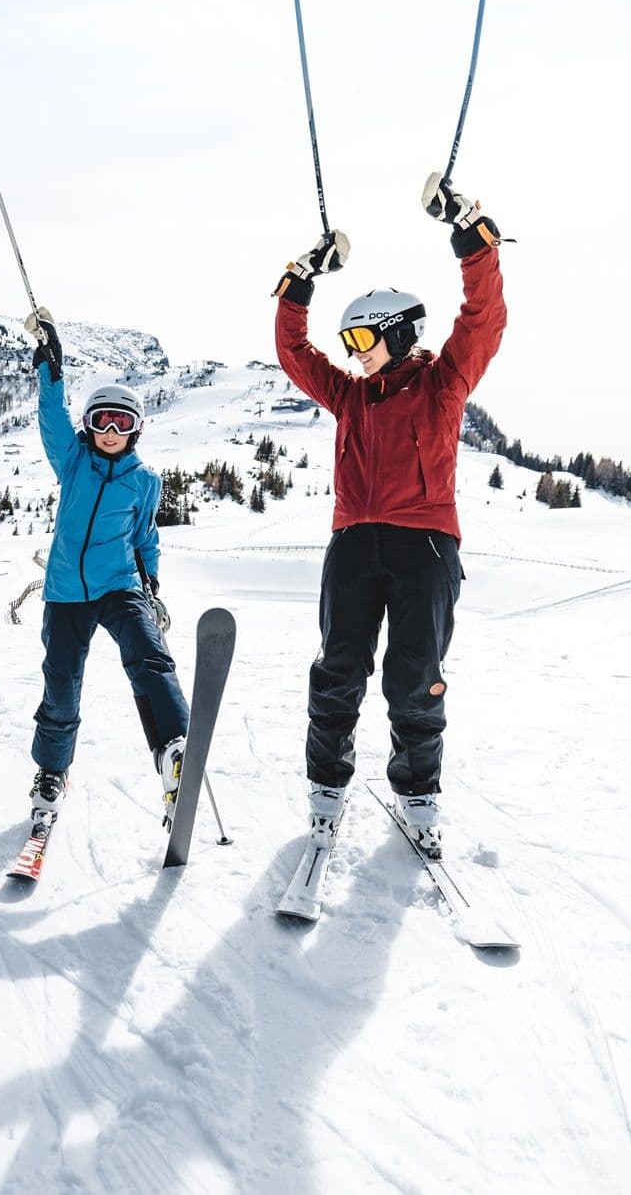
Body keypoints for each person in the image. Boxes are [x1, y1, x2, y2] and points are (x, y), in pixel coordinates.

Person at [269, 173, 507, 857]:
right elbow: (293, 350)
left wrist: (470, 234)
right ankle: (326, 789)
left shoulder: (443, 383)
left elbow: (483, 318)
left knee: (415, 675)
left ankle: (417, 795)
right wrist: (302, 277)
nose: (353, 352)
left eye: (363, 338)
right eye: (348, 343)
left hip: (424, 546)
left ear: (399, 331)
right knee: (338, 669)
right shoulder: (348, 396)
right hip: (352, 545)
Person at [18, 305, 190, 836]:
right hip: (67, 591)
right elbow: (51, 416)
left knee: (150, 658)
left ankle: (176, 752)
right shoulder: (72, 462)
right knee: (62, 683)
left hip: (121, 586)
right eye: (101, 421)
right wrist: (51, 367)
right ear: (89, 427)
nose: (111, 431)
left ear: (136, 430)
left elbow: (145, 538)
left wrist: (152, 583)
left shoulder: (144, 481)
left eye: (121, 423)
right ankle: (51, 772)